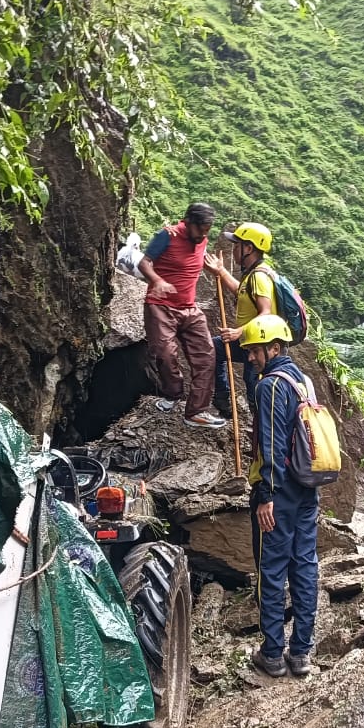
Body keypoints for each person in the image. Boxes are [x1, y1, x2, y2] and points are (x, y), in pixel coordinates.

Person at [240, 314, 319, 678]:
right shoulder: (303, 381)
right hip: (306, 486)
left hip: (279, 489)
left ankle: (272, 653)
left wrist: (266, 494)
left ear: (273, 348)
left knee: (272, 569)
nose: (250, 357)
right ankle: (301, 653)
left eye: (255, 350)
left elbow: (271, 443)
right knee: (304, 565)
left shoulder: (270, 386)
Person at [139, 203, 227, 429]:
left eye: (207, 231)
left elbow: (196, 260)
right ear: (188, 222)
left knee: (207, 356)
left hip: (189, 308)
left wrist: (214, 269)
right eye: (200, 230)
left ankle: (196, 412)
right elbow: (144, 263)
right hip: (160, 306)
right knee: (165, 354)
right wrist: (157, 280)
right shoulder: (167, 235)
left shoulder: (201, 240)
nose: (204, 235)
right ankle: (172, 394)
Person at [203, 222, 275, 414]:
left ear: (248, 248)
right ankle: (223, 401)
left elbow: (266, 312)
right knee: (214, 348)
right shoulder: (251, 275)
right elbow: (240, 291)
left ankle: (260, 425)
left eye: (237, 245)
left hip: (259, 343)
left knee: (253, 385)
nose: (234, 249)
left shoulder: (259, 277)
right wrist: (221, 271)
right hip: (247, 340)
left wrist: (238, 332)